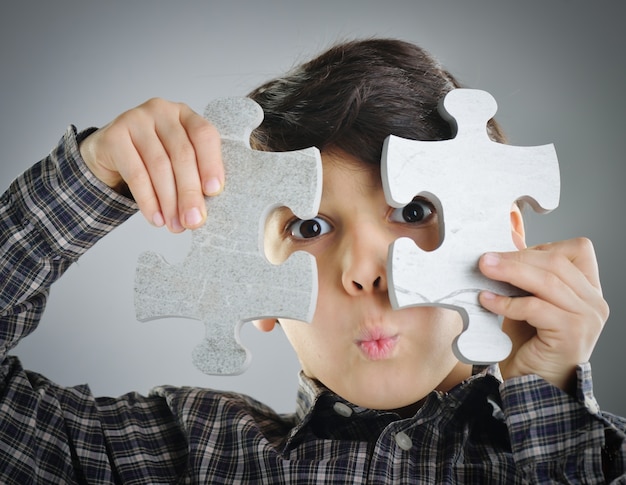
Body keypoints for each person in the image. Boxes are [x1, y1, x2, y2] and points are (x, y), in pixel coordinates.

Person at [0, 37, 624, 483]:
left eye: (413, 213)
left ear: (503, 246)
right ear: (249, 268)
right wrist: (91, 175)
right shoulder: (187, 451)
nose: (362, 270)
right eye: (310, 226)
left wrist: (550, 406)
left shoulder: (588, 457)